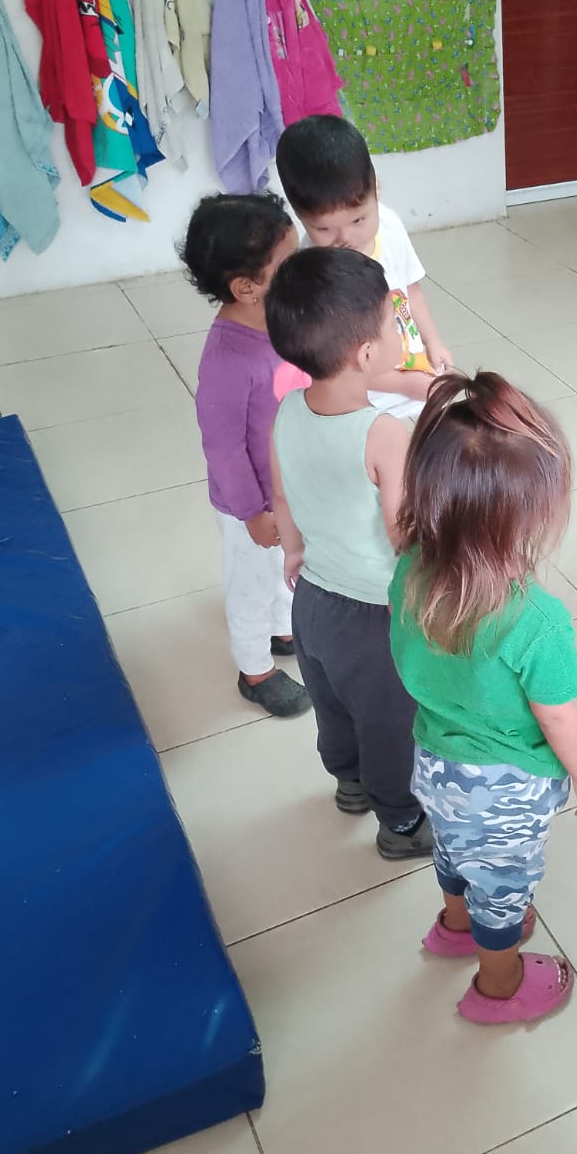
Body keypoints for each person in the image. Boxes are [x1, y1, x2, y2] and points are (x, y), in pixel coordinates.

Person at [390, 372, 577, 1025]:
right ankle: (499, 986)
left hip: (435, 761)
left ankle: (454, 927)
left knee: (453, 852)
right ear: (531, 512)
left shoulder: (410, 567)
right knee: (503, 892)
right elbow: (558, 715)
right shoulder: (536, 621)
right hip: (505, 788)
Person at [266, 246, 433, 858]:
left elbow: (282, 494)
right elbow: (403, 535)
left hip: (311, 601)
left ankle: (350, 783)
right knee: (389, 721)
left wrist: (293, 551)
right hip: (374, 615)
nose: (400, 332)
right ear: (366, 354)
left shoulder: (287, 410)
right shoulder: (385, 433)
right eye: (393, 322)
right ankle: (401, 823)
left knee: (332, 703)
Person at [180, 192, 310, 718]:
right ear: (246, 287)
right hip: (249, 504)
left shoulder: (278, 321)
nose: (299, 268)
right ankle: (255, 669)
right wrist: (252, 512)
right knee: (251, 583)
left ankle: (282, 629)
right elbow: (223, 448)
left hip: (288, 487)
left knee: (286, 563)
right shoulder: (227, 359)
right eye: (288, 262)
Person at [275, 114, 453, 422]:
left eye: (358, 219)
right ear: (300, 216)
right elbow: (334, 364)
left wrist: (432, 341)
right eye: (324, 229)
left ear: (377, 188)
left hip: (415, 380)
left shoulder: (390, 225)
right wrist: (404, 385)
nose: (346, 237)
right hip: (361, 405)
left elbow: (410, 289)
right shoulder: (314, 273)